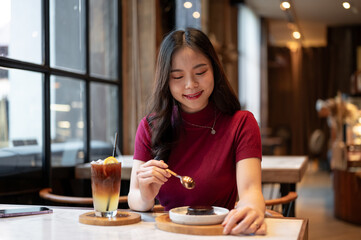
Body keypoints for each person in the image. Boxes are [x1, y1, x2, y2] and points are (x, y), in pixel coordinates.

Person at [128, 28, 266, 235]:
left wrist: (252, 210)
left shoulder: (241, 123)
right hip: (166, 233)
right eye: (177, 76)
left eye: (200, 72)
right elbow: (134, 197)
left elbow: (250, 192)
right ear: (166, 80)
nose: (190, 85)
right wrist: (146, 196)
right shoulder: (150, 127)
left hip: (220, 232)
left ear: (215, 70)